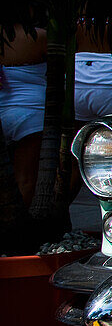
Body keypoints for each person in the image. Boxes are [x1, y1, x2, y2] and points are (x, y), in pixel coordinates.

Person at [0, 22, 47, 206]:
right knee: (26, 178)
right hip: (31, 111)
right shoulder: (40, 37)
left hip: (5, 109)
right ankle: (19, 226)